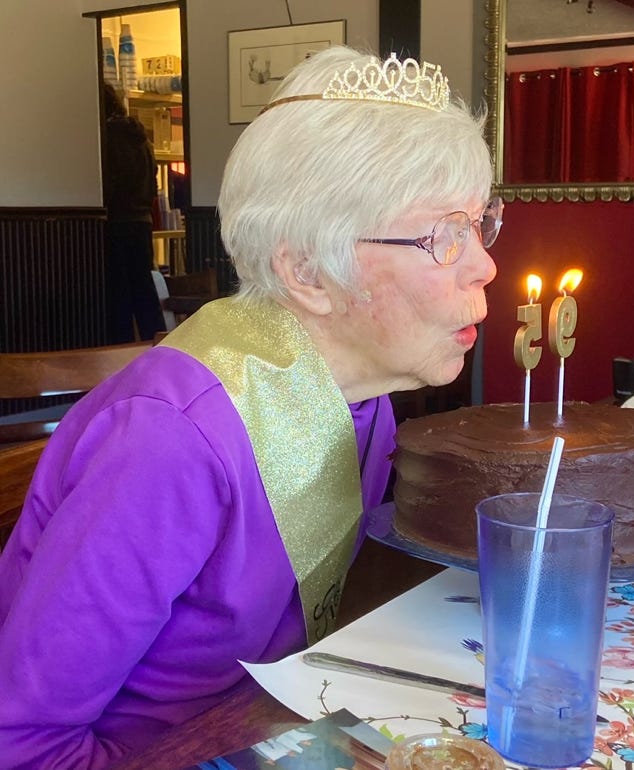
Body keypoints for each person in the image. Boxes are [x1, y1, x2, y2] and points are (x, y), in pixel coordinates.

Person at [0, 46, 500, 769]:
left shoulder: (363, 400)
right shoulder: (171, 443)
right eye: (444, 236)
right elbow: (21, 743)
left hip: (267, 723)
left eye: (479, 224)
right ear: (308, 273)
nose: (484, 264)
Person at [101, 82, 166, 343]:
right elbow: (153, 183)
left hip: (114, 222)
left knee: (118, 297)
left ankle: (119, 355)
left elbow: (107, 184)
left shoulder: (105, 138)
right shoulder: (141, 139)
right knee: (144, 291)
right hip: (142, 222)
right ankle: (159, 347)